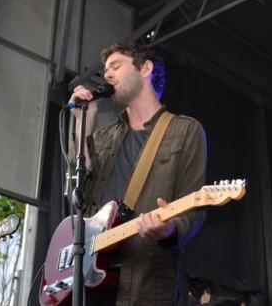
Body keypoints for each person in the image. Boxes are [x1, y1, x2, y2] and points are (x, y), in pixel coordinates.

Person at [70, 41, 207, 306]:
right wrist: (82, 124)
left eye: (116, 66)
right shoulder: (102, 137)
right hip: (88, 284)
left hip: (143, 285)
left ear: (145, 68)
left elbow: (194, 211)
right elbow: (78, 198)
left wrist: (169, 230)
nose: (107, 75)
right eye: (106, 69)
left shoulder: (184, 131)